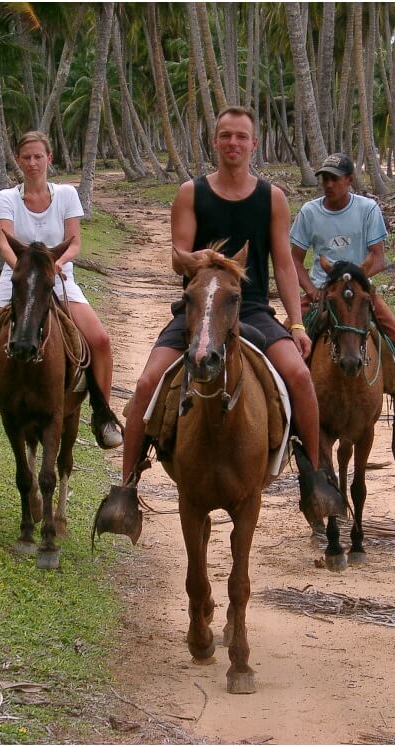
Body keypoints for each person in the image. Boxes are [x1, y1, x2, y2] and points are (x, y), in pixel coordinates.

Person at [119, 106, 342, 511]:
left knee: (298, 376)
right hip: (198, 308)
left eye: (241, 136)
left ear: (253, 144)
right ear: (215, 141)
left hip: (251, 309)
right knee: (147, 383)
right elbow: (177, 256)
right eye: (226, 135)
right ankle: (127, 486)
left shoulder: (271, 197)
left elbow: (284, 265)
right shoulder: (191, 193)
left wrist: (295, 322)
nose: (233, 143)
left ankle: (314, 474)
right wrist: (199, 259)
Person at [0, 131, 121, 450]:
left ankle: (103, 415)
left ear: (49, 158)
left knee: (100, 339)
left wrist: (54, 266)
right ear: (18, 161)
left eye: (38, 156)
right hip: (15, 279)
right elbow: (4, 241)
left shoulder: (67, 195)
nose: (32, 162)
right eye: (26, 157)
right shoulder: (7, 198)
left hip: (59, 278)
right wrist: (22, 268)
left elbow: (73, 243)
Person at [290, 153, 395, 459]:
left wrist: (351, 282)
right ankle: (287, 417)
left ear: (349, 180)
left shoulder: (367, 209)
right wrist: (313, 289)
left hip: (361, 291)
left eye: (334, 178)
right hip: (322, 293)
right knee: (288, 344)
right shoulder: (309, 212)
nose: (327, 184)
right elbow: (295, 261)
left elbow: (377, 257)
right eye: (324, 178)